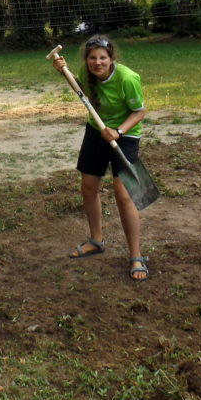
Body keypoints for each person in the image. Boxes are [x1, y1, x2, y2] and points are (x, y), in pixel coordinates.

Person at [52, 35, 149, 281]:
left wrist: (119, 131)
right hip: (96, 132)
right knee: (88, 186)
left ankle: (136, 255)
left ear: (111, 58)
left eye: (102, 58)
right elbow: (82, 91)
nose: (97, 63)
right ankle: (96, 240)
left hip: (124, 136)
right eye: (93, 58)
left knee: (123, 193)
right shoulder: (88, 74)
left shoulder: (127, 78)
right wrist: (64, 72)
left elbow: (140, 112)